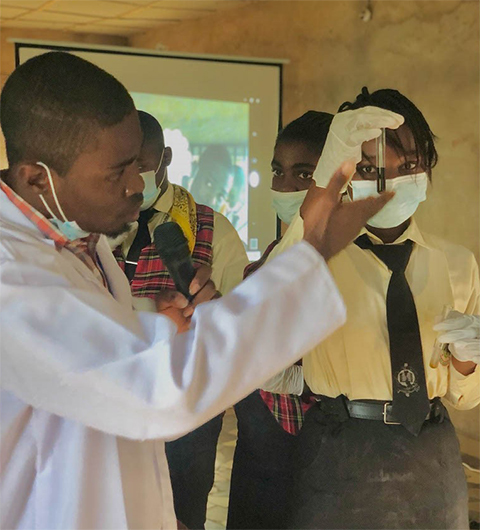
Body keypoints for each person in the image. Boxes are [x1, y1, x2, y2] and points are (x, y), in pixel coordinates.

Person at [0, 53, 392, 530]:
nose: (135, 188)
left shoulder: (82, 245)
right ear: (37, 177)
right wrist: (311, 251)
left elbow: (97, 393)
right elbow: (156, 394)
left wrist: (161, 517)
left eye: (139, 168)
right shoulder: (13, 275)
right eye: (117, 172)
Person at [266, 88, 480, 529]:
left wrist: (467, 360)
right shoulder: (315, 255)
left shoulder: (455, 263)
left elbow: (464, 397)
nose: (393, 181)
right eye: (368, 169)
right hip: (342, 450)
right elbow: (264, 321)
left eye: (411, 166)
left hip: (432, 456)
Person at [111, 110, 249, 529]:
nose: (134, 177)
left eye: (143, 163)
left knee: (182, 514)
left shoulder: (213, 229)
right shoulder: (97, 226)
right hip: (112, 408)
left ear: (167, 157)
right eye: (123, 165)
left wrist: (217, 317)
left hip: (188, 422)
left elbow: (240, 330)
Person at [226, 110, 333, 530]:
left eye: (303, 174)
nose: (284, 186)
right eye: (277, 171)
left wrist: (291, 378)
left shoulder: (348, 261)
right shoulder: (275, 252)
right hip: (259, 440)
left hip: (312, 450)